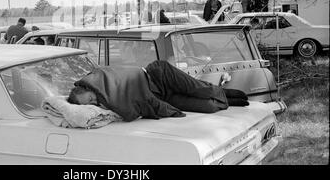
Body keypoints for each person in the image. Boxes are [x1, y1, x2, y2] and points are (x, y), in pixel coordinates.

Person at [68, 60, 248, 122]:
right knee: (207, 106)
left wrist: (169, 112)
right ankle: (227, 100)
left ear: (87, 88)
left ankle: (229, 94)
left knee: (200, 89)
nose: (94, 103)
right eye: (90, 105)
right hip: (160, 94)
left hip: (159, 74)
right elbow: (132, 107)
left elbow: (133, 92)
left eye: (90, 98)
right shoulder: (105, 102)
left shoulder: (100, 78)